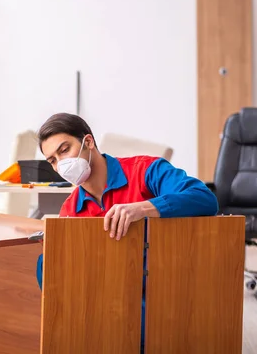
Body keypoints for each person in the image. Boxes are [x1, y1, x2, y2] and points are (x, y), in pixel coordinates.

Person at [34, 112, 219, 351]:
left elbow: (204, 199)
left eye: (64, 150)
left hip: (162, 290)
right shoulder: (71, 208)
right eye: (52, 160)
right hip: (105, 297)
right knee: (46, 263)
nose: (61, 164)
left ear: (88, 142)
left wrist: (143, 208)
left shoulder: (146, 170)